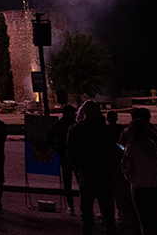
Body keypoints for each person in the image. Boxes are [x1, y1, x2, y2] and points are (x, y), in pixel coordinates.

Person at [66, 100, 118, 235]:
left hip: (87, 175)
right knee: (107, 214)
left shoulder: (75, 129)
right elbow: (112, 149)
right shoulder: (102, 130)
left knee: (87, 214)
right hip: (102, 175)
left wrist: (79, 167)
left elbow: (70, 152)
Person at [122, 119, 157, 235]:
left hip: (139, 187)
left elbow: (127, 168)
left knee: (143, 220)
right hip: (155, 185)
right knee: (155, 219)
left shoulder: (131, 147)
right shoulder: (151, 143)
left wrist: (130, 179)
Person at [47, 104, 78, 214]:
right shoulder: (75, 125)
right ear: (69, 113)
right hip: (76, 156)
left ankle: (71, 207)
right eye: (73, 113)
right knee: (80, 181)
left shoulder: (58, 124)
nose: (75, 115)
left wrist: (58, 150)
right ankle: (84, 206)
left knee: (67, 182)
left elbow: (49, 138)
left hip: (64, 156)